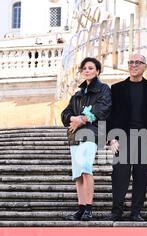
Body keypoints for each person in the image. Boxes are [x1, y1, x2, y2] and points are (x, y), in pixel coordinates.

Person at [106, 54, 147, 222]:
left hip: (145, 136)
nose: (134, 65)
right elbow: (109, 115)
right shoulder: (117, 88)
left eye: (138, 62)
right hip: (123, 136)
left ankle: (136, 211)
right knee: (120, 174)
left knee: (141, 175)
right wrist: (111, 138)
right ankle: (117, 211)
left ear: (145, 66)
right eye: (131, 62)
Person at [61, 57, 111, 221]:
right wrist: (73, 119)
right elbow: (65, 113)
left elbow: (102, 109)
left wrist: (80, 120)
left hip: (93, 132)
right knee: (77, 173)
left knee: (85, 167)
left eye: (91, 68)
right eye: (84, 68)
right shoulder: (77, 94)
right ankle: (81, 208)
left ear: (97, 71)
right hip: (75, 134)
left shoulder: (103, 89)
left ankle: (89, 207)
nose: (87, 70)